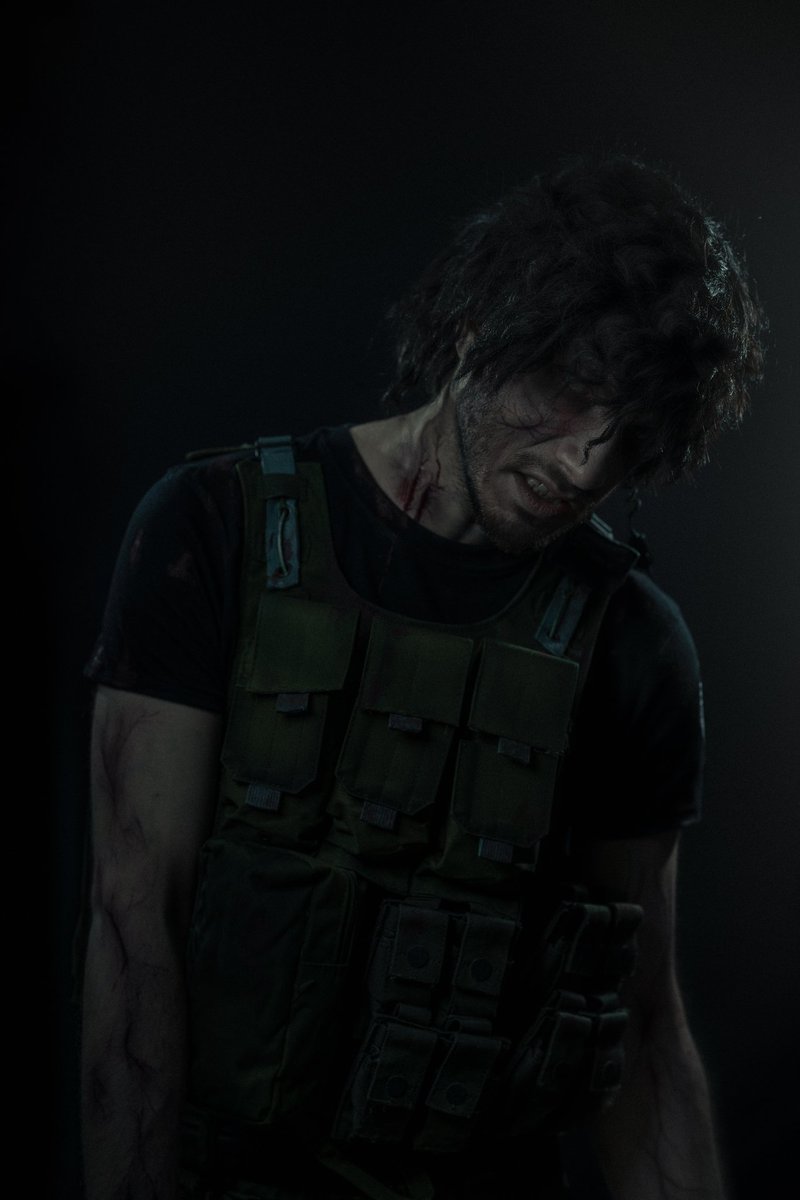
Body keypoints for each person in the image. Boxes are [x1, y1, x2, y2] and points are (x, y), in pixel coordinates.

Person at [79, 155, 765, 1200]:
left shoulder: (632, 644)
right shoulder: (211, 532)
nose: (585, 466)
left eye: (629, 435)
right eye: (570, 392)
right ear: (478, 332)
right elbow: (137, 922)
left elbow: (638, 1020)